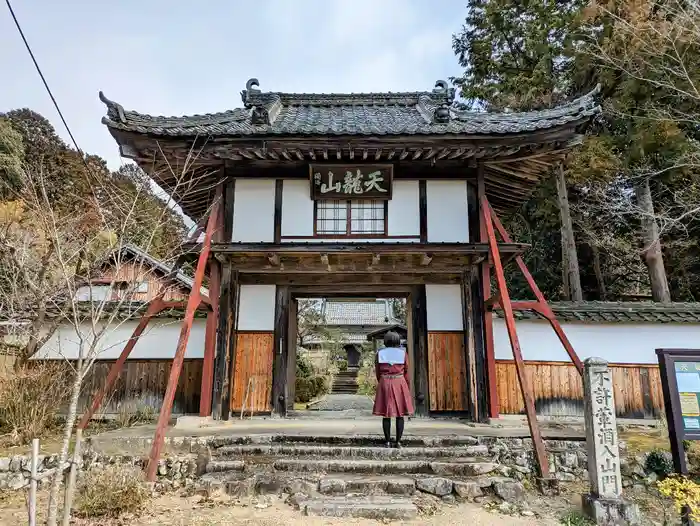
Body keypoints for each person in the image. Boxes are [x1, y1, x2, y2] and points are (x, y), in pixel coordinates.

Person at [372, 330, 414, 448]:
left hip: (385, 381)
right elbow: (406, 371)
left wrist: (382, 381)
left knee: (386, 414)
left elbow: (378, 371)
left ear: (385, 341)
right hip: (399, 381)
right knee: (400, 414)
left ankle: (387, 441)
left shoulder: (379, 354)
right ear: (397, 341)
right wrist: (407, 385)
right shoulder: (402, 354)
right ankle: (398, 441)